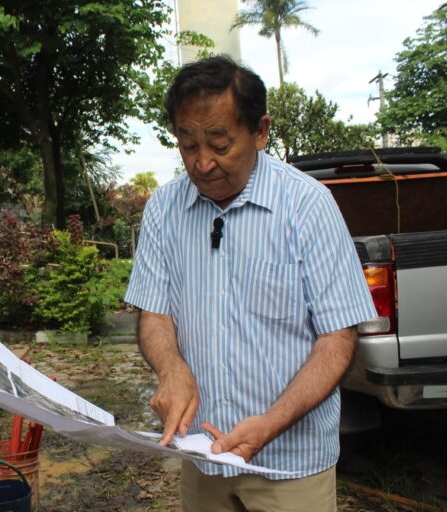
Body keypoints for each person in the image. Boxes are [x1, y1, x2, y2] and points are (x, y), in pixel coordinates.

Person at [125, 55, 377, 511]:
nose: (202, 163)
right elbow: (155, 313)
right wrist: (172, 369)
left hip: (289, 465)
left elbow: (338, 338)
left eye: (219, 145)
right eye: (187, 145)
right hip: (202, 457)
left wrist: (270, 423)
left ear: (260, 131)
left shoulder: (307, 206)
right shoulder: (164, 209)